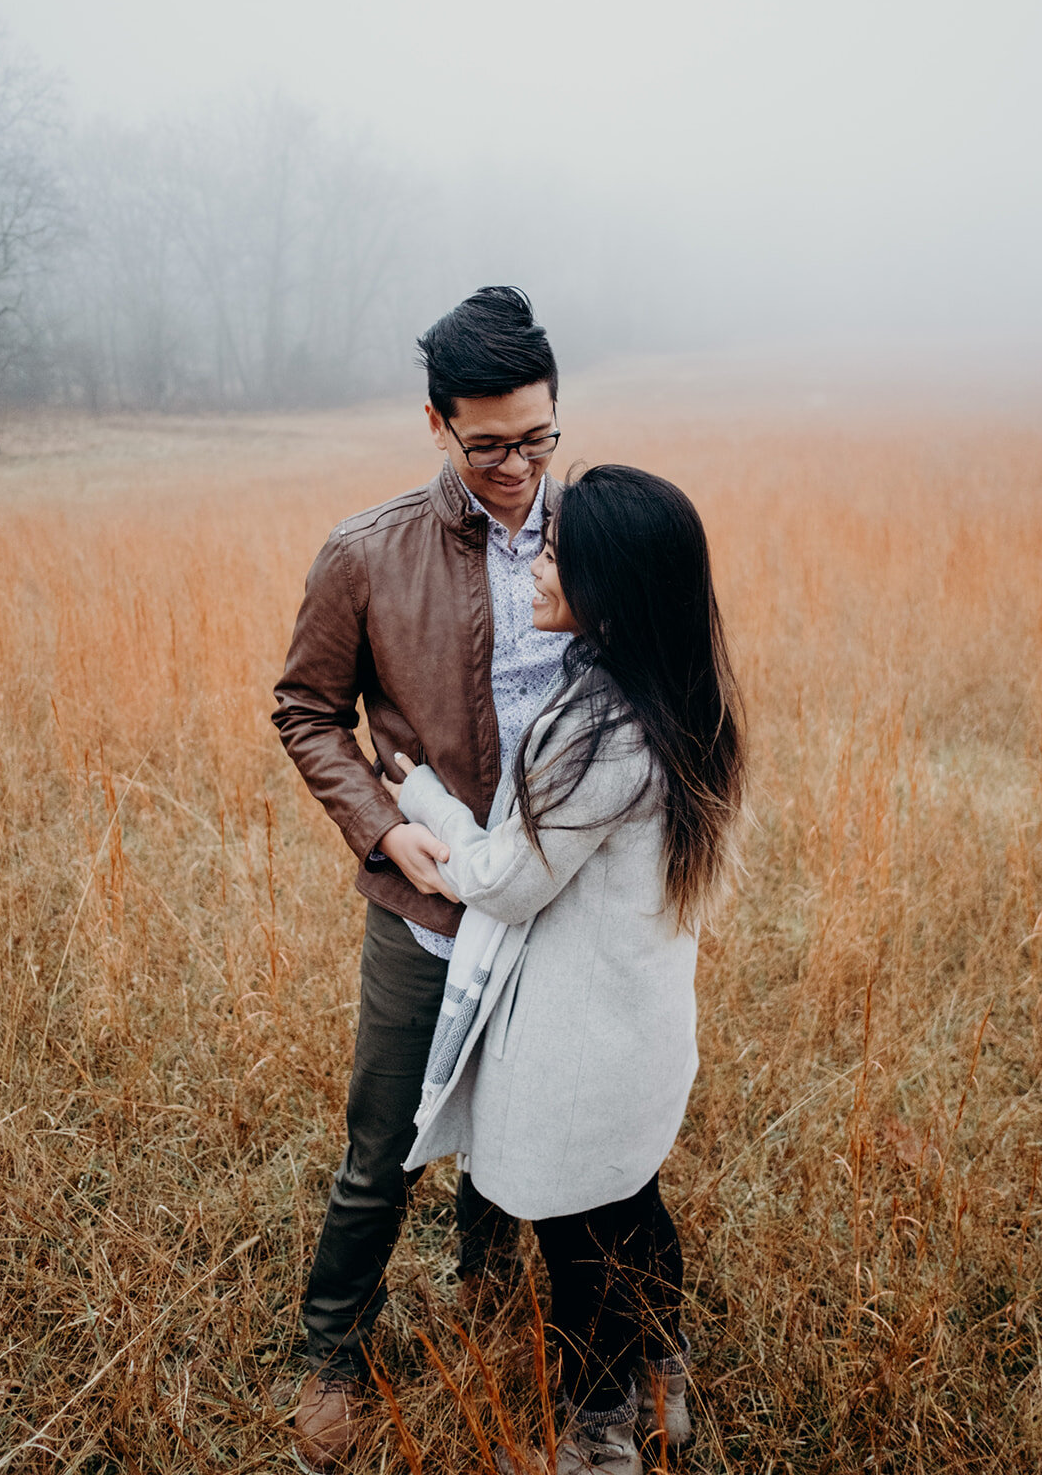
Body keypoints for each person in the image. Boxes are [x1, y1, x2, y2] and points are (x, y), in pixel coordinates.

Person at [383, 465, 745, 1475]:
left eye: (554, 551)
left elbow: (503, 882)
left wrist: (423, 801)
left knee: (574, 1244)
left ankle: (597, 1440)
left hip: (580, 1047)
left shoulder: (596, 728)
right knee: (631, 1202)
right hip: (637, 1025)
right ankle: (660, 1382)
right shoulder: (674, 696)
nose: (535, 565)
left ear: (609, 582)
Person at [272, 287, 573, 1471]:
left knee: (524, 1118)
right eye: (487, 441)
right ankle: (328, 1353)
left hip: (555, 901)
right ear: (436, 422)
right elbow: (305, 708)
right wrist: (378, 832)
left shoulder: (592, 530)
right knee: (381, 1140)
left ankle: (486, 1283)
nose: (515, 467)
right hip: (429, 899)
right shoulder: (366, 550)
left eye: (536, 437)